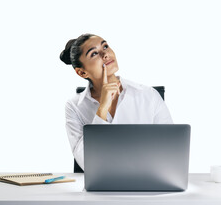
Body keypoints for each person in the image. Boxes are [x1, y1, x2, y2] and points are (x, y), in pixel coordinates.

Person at [60, 33, 173, 170]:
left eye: (105, 46)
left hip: (147, 183)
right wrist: (102, 108)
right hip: (100, 188)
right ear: (82, 73)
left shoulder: (148, 95)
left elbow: (171, 152)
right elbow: (86, 163)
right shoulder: (74, 107)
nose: (105, 54)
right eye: (94, 53)